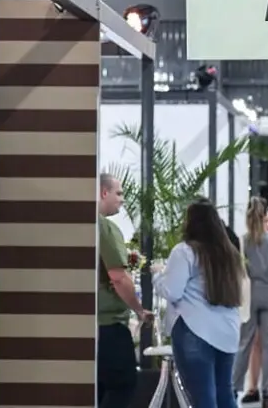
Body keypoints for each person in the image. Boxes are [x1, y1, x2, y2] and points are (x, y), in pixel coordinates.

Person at [152, 199, 244, 408]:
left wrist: (158, 276)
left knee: (203, 399)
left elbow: (172, 291)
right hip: (228, 331)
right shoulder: (230, 253)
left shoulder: (185, 251)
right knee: (225, 394)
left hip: (195, 330)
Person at [97, 174, 150, 408]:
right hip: (110, 325)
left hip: (88, 324)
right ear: (103, 192)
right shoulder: (106, 229)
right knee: (124, 384)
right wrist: (139, 310)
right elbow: (118, 277)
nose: (123, 199)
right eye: (118, 193)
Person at [231, 198, 268, 407]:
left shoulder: (243, 241)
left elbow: (239, 271)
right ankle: (267, 393)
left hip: (250, 295)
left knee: (244, 344)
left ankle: (234, 387)